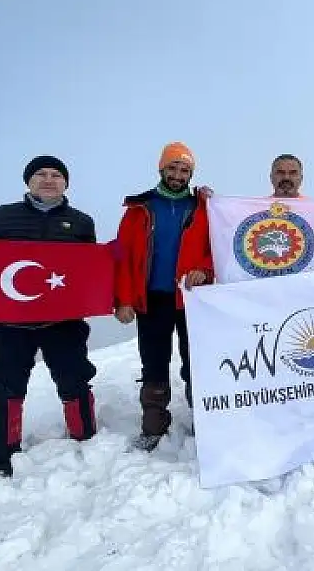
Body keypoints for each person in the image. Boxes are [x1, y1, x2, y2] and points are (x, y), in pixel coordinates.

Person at [0, 155, 101, 478]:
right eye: (41, 174)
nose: (49, 179)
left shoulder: (81, 222)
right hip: (11, 322)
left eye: (56, 175)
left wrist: (110, 260)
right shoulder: (2, 217)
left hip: (64, 321)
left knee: (75, 377)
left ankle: (87, 440)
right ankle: (2, 454)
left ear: (66, 183)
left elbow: (88, 268)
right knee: (6, 383)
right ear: (28, 181)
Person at [113, 142, 214, 450]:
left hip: (193, 298)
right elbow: (123, 257)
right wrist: (124, 299)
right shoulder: (139, 209)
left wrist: (206, 272)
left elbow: (219, 249)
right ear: (161, 169)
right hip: (153, 298)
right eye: (172, 168)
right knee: (154, 360)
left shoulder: (204, 207)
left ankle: (207, 421)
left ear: (191, 174)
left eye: (184, 170)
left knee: (196, 361)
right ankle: (154, 426)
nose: (178, 175)